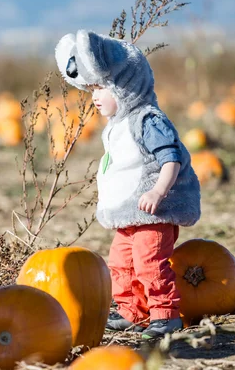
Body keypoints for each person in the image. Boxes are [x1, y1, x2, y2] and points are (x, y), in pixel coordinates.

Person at [55, 30, 201, 339]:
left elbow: (170, 158)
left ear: (123, 86)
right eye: (92, 88)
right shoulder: (116, 126)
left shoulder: (147, 119)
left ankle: (164, 313)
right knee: (120, 264)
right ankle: (131, 311)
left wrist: (159, 190)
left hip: (153, 212)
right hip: (128, 214)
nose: (94, 96)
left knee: (150, 262)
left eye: (102, 87)